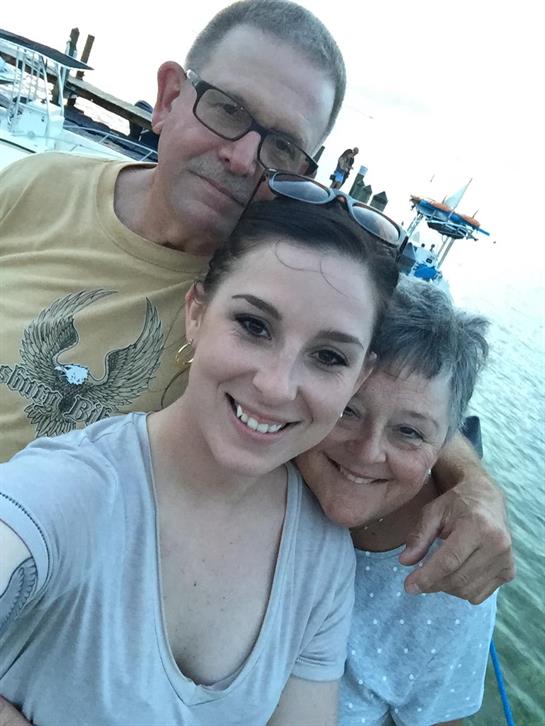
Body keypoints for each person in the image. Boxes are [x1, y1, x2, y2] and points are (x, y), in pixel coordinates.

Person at [0, 0, 513, 604]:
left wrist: (474, 485)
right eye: (227, 109)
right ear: (169, 98)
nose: (242, 158)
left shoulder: (285, 295)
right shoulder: (37, 184)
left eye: (284, 147)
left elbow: (392, 377)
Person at [0, 198, 399, 725]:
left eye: (329, 357)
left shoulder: (321, 558)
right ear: (196, 313)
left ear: (360, 378)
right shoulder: (66, 491)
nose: (276, 386)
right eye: (254, 326)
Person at [297, 279, 498, 725]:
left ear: (444, 443)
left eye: (409, 431)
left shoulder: (452, 579)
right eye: (349, 408)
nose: (368, 452)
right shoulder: (264, 468)